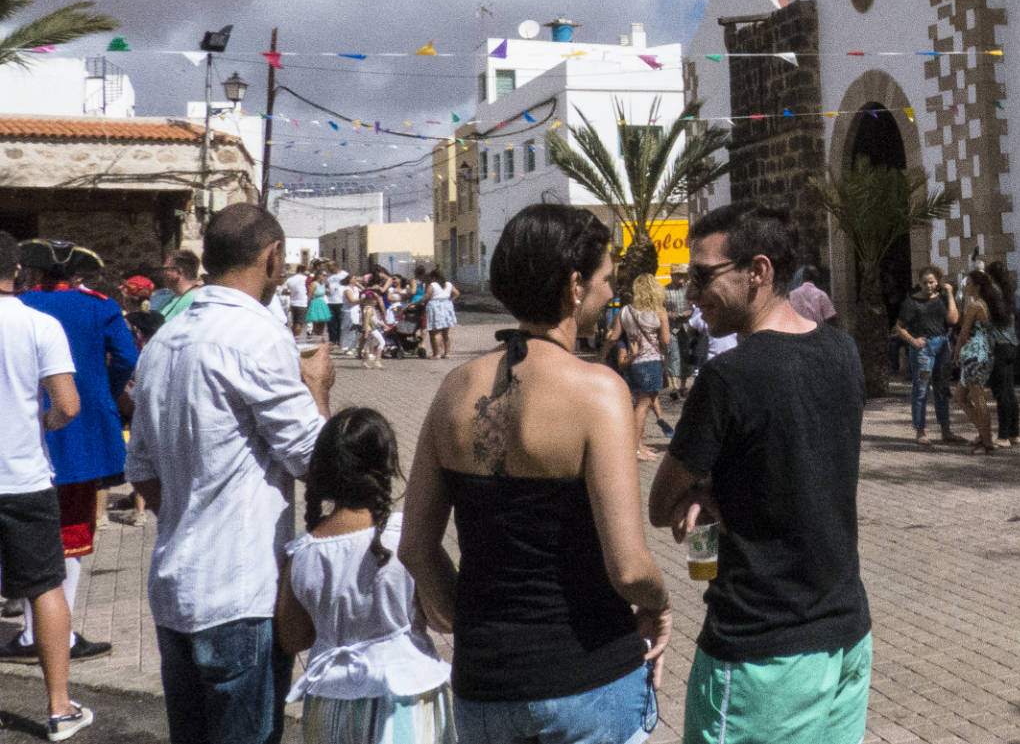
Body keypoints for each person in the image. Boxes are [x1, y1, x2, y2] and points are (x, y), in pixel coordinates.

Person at [399, 204, 670, 744]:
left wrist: (467, 619)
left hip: (484, 687)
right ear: (574, 285)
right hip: (586, 676)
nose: (608, 294)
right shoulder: (598, 391)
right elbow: (629, 567)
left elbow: (415, 546)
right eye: (605, 281)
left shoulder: (453, 390)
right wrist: (660, 604)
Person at [649, 203, 872, 744]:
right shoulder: (842, 351)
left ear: (760, 272)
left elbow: (659, 505)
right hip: (846, 636)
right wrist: (716, 487)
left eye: (703, 276)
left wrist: (701, 489)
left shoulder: (727, 378)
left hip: (762, 652)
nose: (692, 292)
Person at [126, 205, 334, 744]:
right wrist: (319, 387)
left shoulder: (163, 341)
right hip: (241, 595)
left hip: (176, 589)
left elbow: (143, 473)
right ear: (273, 258)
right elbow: (319, 462)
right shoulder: (257, 336)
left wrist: (191, 506)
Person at [276, 408, 452, 744]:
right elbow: (444, 617)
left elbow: (292, 638)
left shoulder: (303, 553)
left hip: (332, 704)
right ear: (387, 465)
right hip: (407, 695)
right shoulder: (407, 538)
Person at [11, 240, 138, 666]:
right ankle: (55, 637)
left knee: (28, 539)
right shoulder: (99, 306)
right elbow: (125, 356)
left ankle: (32, 629)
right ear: (79, 273)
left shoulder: (21, 305)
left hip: (24, 430)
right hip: (80, 431)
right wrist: (108, 388)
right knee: (73, 535)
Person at [0, 233, 92, 740]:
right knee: (44, 587)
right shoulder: (40, 324)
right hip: (22, 476)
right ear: (18, 270)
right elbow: (68, 404)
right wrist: (48, 422)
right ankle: (60, 707)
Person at [609, 274, 674, 462]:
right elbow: (666, 340)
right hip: (651, 362)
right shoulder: (658, 312)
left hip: (632, 363)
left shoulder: (626, 311)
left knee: (640, 404)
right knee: (643, 407)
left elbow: (614, 336)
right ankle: (634, 449)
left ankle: (638, 445)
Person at [894, 267, 960, 444]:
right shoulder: (911, 302)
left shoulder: (942, 299)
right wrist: (913, 341)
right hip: (923, 350)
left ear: (937, 281)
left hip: (941, 346)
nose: (928, 286)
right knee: (921, 388)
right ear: (919, 283)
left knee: (942, 388)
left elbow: (953, 320)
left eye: (931, 282)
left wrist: (950, 294)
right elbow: (899, 327)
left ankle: (946, 430)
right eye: (924, 282)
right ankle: (920, 431)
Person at [952, 273, 998, 453]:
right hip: (984, 352)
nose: (966, 287)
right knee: (960, 397)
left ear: (977, 286)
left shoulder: (974, 306)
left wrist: (956, 352)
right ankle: (983, 433)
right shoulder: (988, 305)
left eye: (969, 284)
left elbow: (963, 332)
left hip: (974, 354)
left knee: (977, 397)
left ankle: (987, 442)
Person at [983, 270, 1020, 447]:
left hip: (998, 346)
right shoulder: (1008, 296)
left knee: (1001, 393)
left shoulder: (993, 295)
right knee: (1010, 391)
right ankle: (1014, 432)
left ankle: (1004, 435)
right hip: (1011, 345)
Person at [156, 250, 203, 322]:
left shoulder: (193, 300)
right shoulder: (174, 296)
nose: (162, 273)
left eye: (165, 269)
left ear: (178, 272)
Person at [422, 270, 458, 361]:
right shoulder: (448, 284)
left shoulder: (432, 285)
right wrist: (450, 300)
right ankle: (447, 353)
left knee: (435, 332)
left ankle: (436, 354)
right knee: (446, 332)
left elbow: (427, 296)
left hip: (435, 308)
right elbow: (457, 293)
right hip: (447, 307)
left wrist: (418, 302)